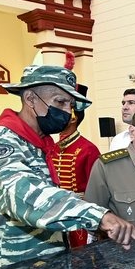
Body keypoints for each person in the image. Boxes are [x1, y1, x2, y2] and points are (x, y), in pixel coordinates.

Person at [0, 65, 135, 269]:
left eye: (70, 104)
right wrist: (99, 216)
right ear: (30, 99)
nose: (67, 111)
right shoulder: (1, 141)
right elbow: (22, 195)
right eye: (59, 101)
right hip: (14, 267)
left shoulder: (38, 143)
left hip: (47, 261)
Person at [52, 84, 100, 248]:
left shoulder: (88, 149)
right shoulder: (52, 148)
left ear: (73, 116)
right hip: (56, 216)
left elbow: (97, 191)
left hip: (79, 217)